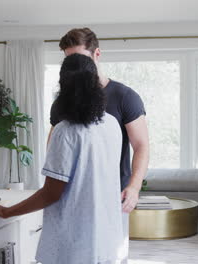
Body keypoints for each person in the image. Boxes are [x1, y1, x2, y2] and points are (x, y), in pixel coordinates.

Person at [0, 53, 127, 263]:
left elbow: (51, 193)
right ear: (96, 83)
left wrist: (6, 211)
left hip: (73, 247)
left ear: (63, 86)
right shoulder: (111, 124)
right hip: (107, 241)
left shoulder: (65, 132)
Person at [49, 28, 150, 258]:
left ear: (97, 54)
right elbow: (53, 144)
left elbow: (142, 145)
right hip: (72, 199)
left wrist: (133, 188)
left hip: (113, 198)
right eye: (69, 60)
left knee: (112, 256)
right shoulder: (62, 103)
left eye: (80, 59)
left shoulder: (125, 97)